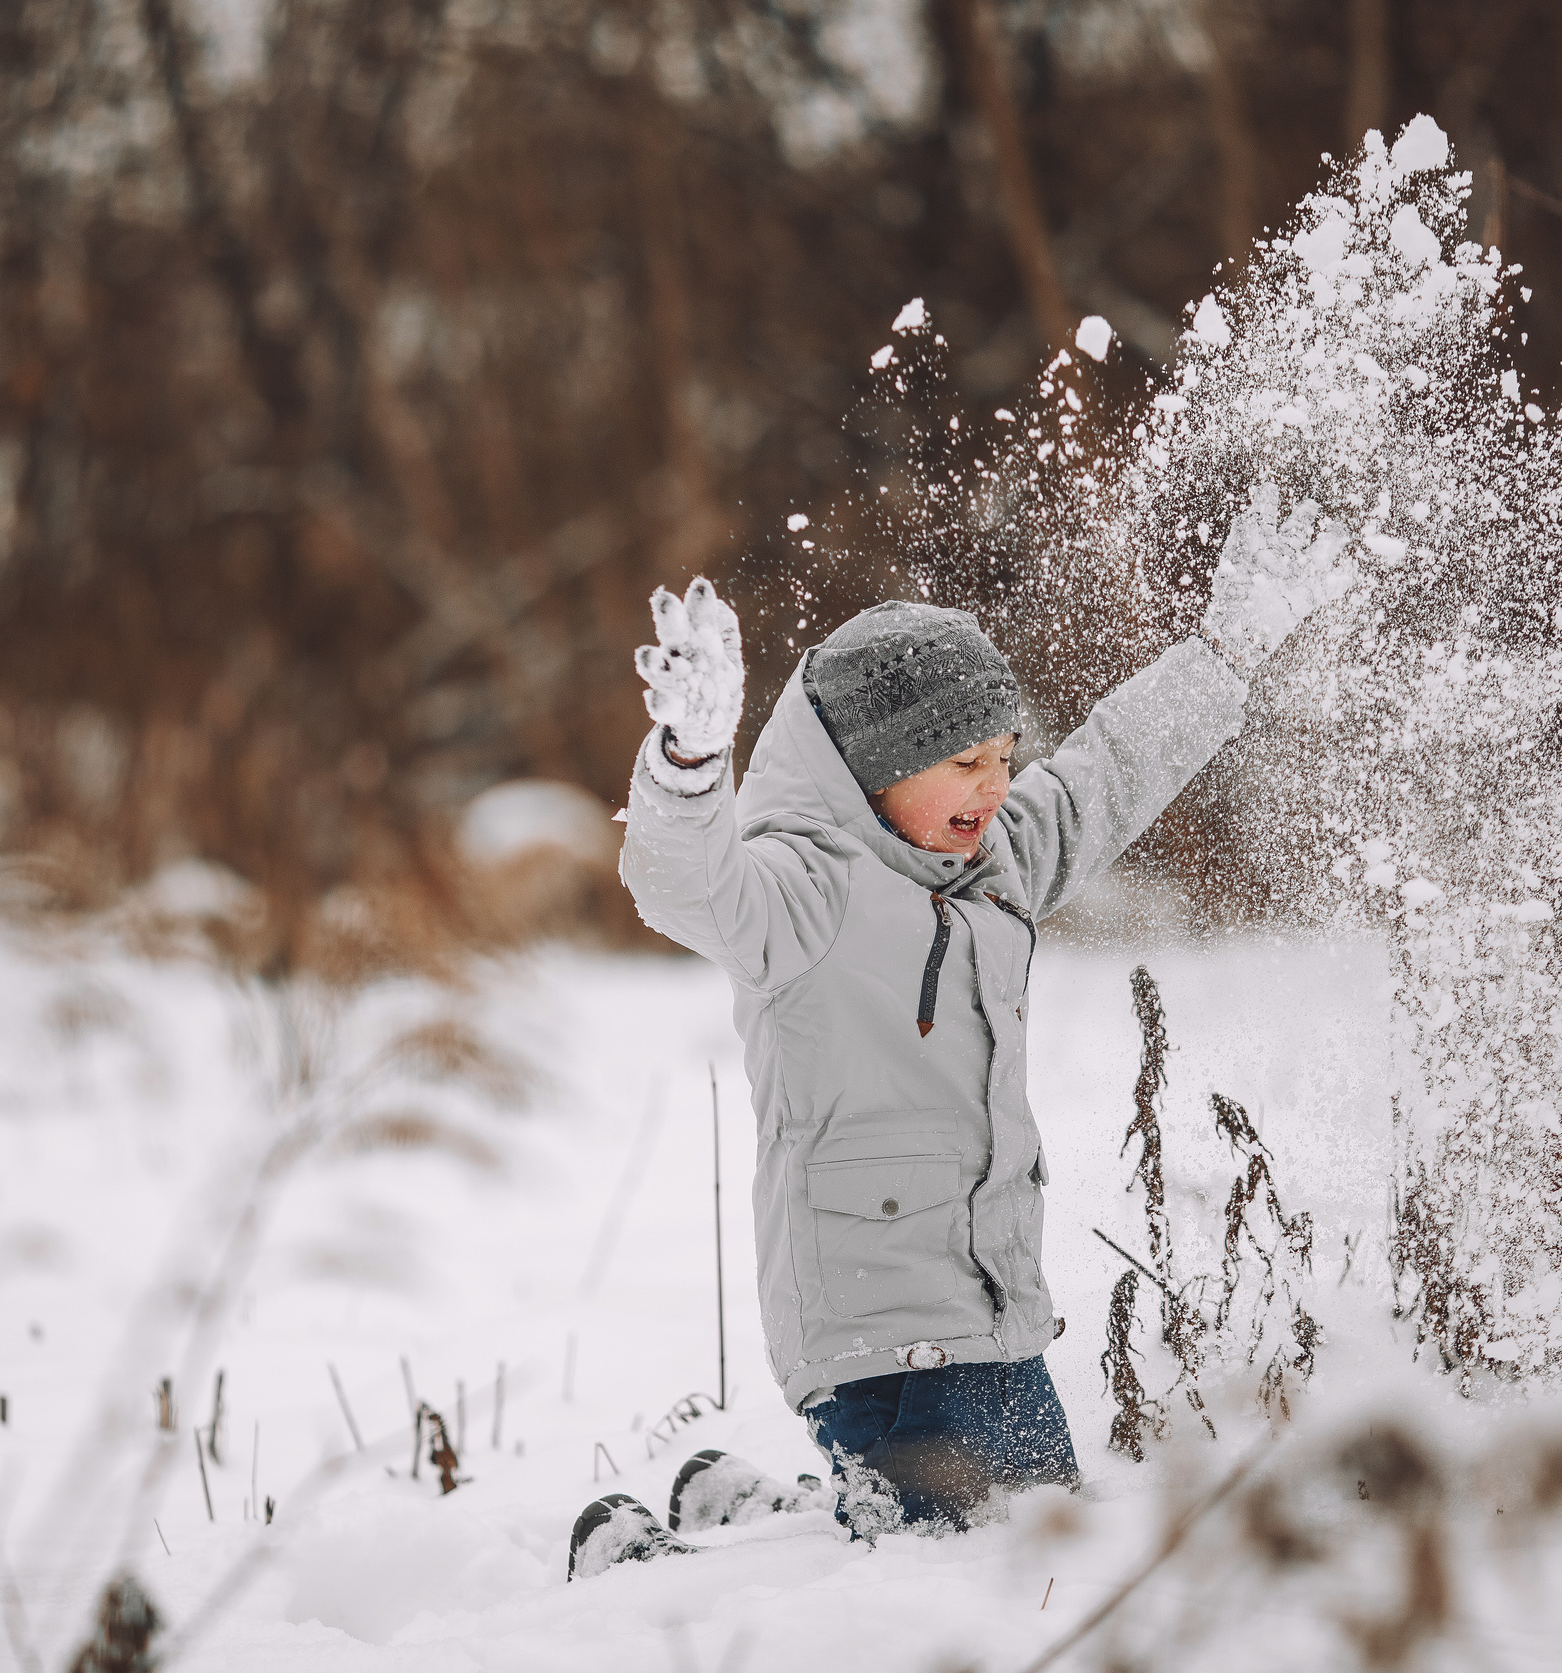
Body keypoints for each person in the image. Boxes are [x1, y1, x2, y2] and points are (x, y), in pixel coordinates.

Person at [567, 487, 1352, 1579]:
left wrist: (1223, 656)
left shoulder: (992, 865)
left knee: (998, 1535)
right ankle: (642, 1566)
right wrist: (691, 765)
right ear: (872, 769)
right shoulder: (799, 887)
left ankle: (748, 1508)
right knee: (982, 1565)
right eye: (962, 764)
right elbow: (678, 884)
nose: (997, 784)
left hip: (984, 1300)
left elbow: (1109, 771)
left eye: (1003, 753)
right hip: (874, 1309)